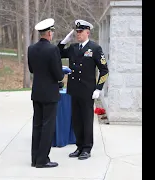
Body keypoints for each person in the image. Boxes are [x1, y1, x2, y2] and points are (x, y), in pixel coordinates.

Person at [57, 19, 109, 160]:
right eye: (77, 32)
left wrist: (98, 88)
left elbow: (104, 70)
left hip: (87, 91)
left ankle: (87, 148)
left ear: (88, 32)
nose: (78, 34)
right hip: (74, 89)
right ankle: (79, 146)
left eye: (81, 32)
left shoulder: (95, 48)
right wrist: (63, 42)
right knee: (76, 120)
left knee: (86, 119)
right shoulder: (73, 48)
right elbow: (58, 54)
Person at [28, 18, 64, 168]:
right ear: (49, 33)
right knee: (48, 127)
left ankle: (35, 158)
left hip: (37, 92)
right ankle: (43, 160)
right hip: (50, 93)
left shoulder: (31, 48)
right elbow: (58, 74)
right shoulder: (52, 49)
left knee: (37, 125)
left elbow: (31, 69)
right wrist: (61, 75)